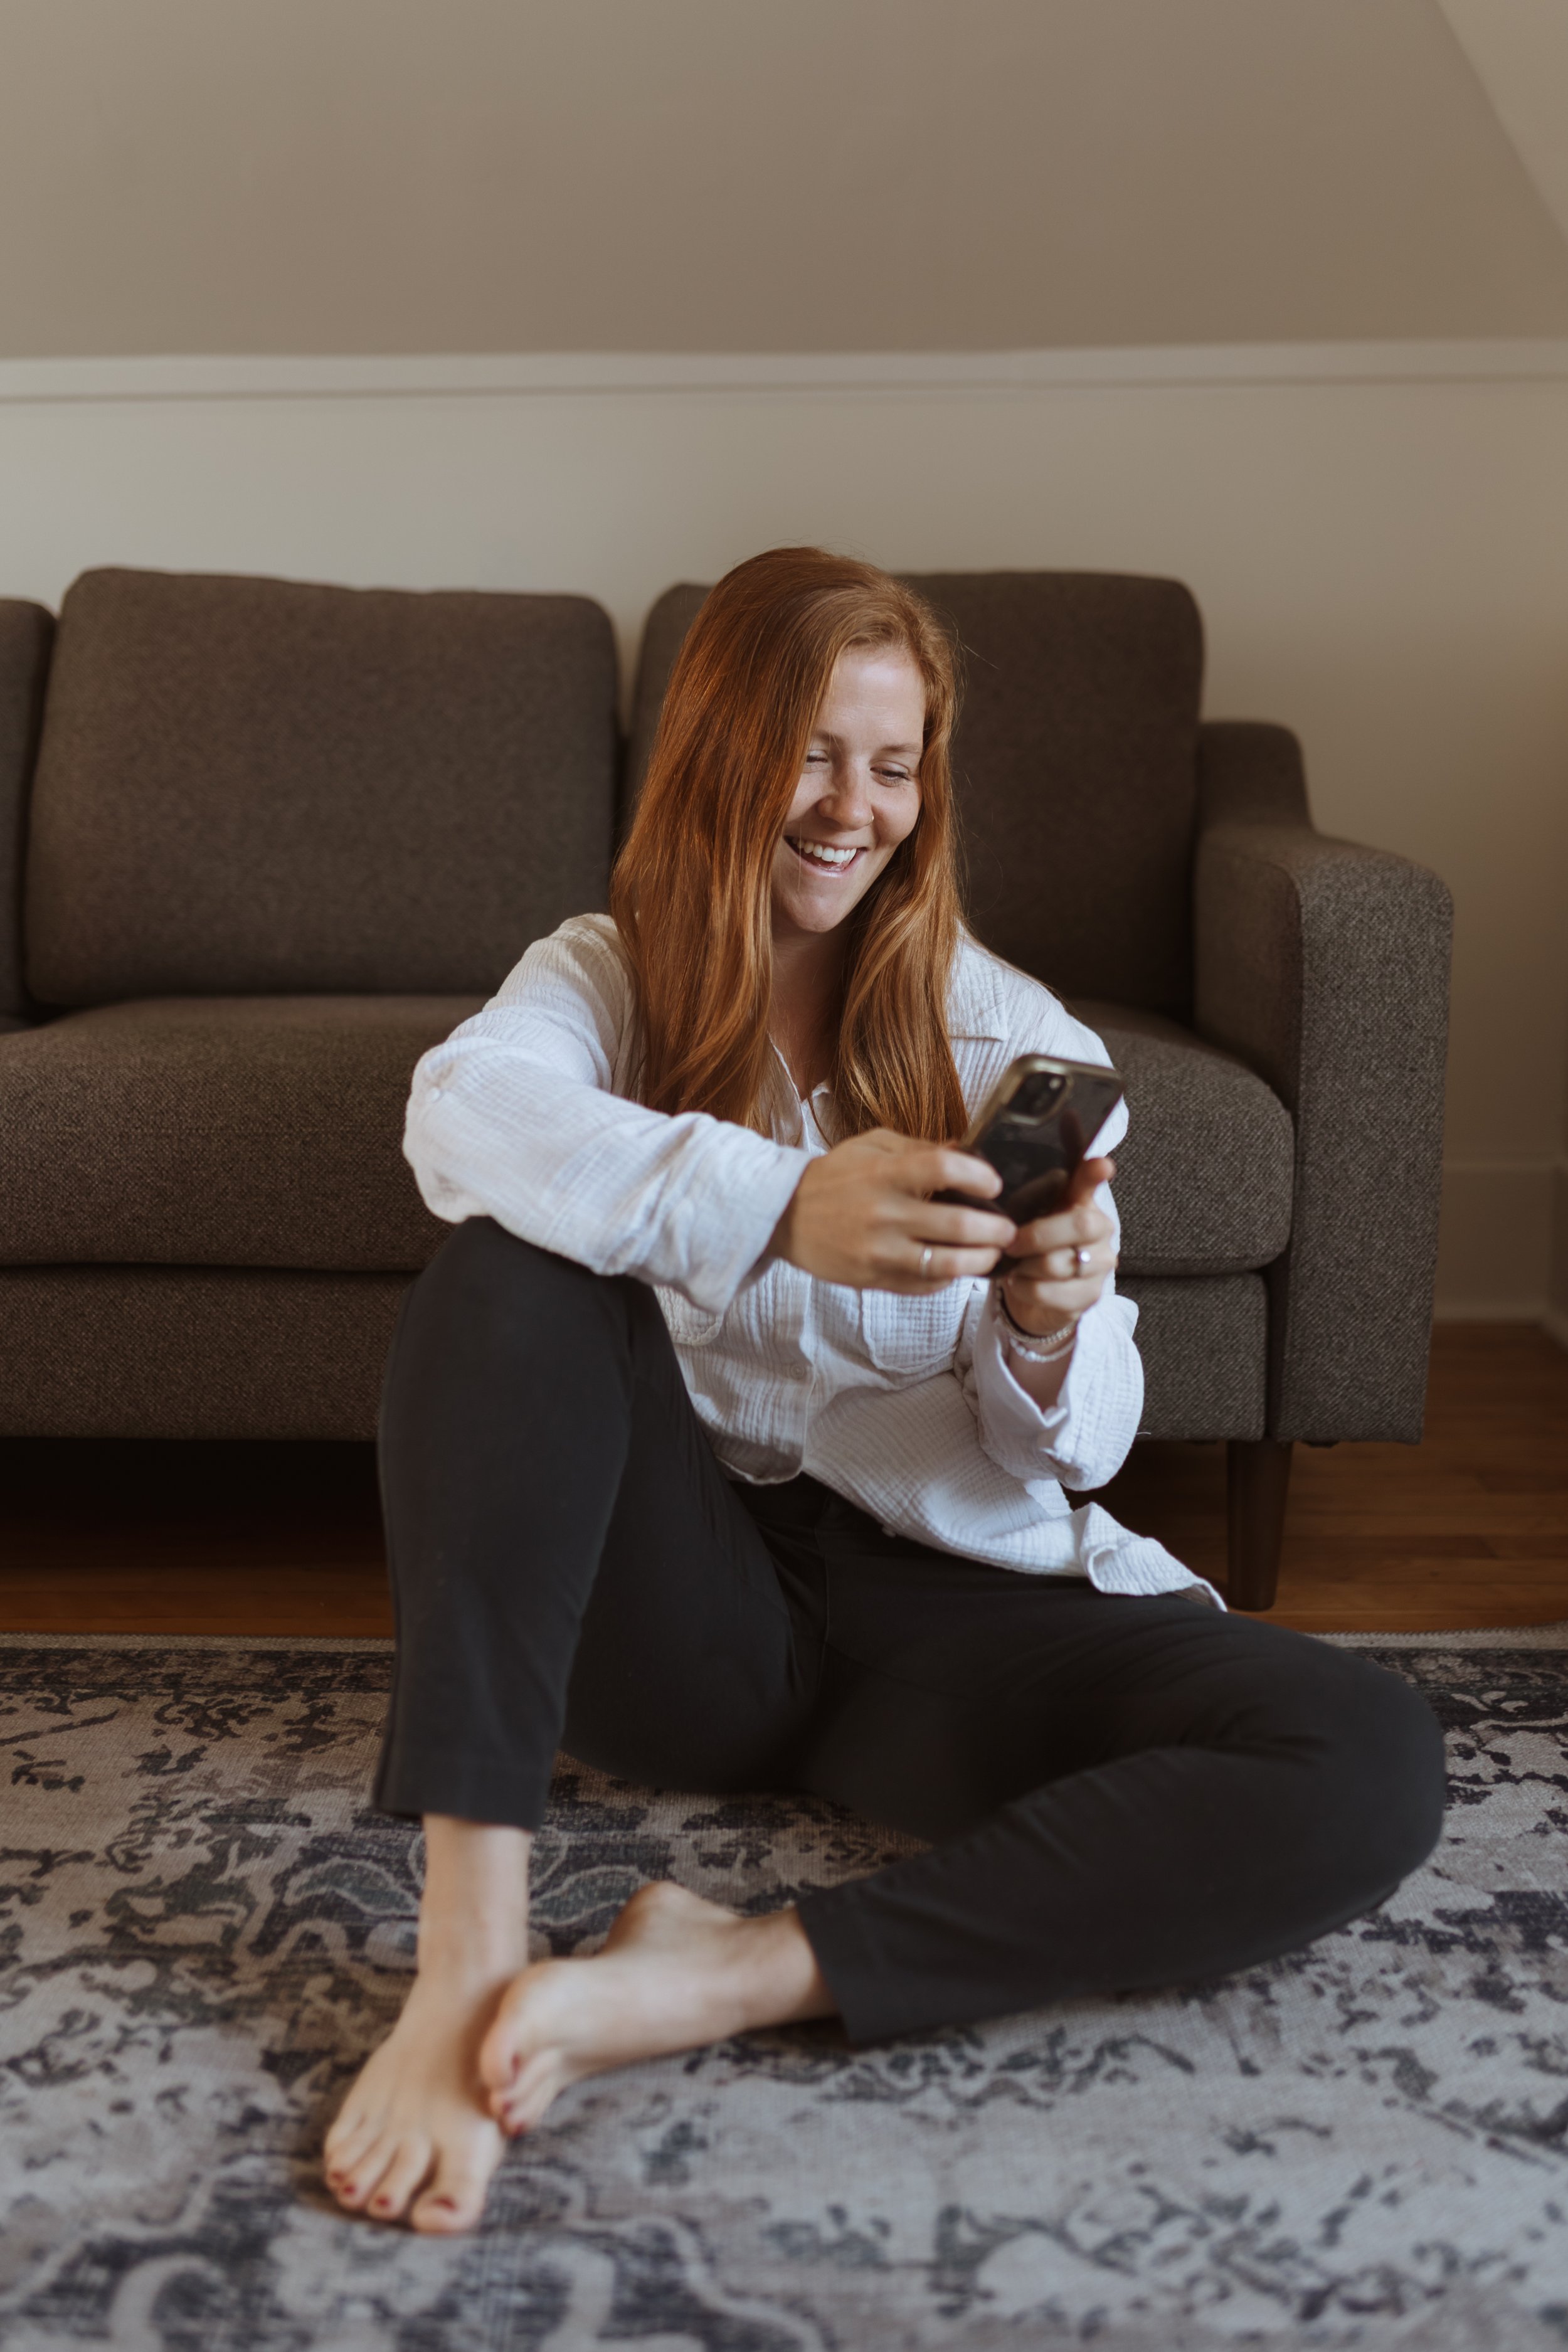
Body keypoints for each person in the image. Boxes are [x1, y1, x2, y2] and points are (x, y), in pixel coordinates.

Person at [322, 548, 1445, 2234]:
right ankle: (469, 1959)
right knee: (502, 1265)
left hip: (943, 1630)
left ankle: (719, 1973)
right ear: (719, 754)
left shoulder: (1009, 1042)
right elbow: (459, 1119)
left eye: (894, 763)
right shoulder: (602, 976)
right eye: (815, 754)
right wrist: (779, 1202)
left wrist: (1057, 1324)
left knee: (1363, 1754)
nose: (854, 808)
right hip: (687, 1631)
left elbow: (1071, 1449)